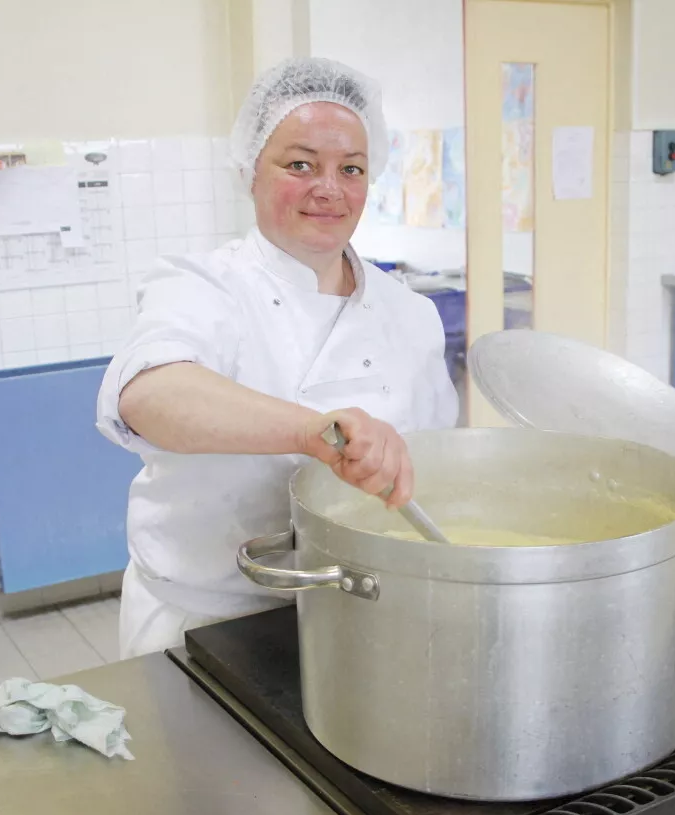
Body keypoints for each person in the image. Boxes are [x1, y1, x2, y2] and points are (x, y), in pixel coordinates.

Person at [96, 58, 458, 658]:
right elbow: (149, 395)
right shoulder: (203, 284)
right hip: (204, 622)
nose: (329, 188)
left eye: (352, 169)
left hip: (362, 614)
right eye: (300, 164)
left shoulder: (410, 314)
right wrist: (314, 430)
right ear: (251, 171)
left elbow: (432, 466)